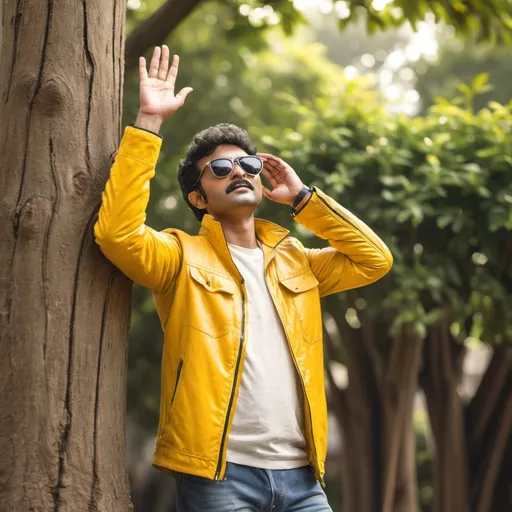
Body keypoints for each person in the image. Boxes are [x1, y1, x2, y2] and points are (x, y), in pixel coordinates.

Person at [94, 45, 393, 512]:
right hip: (218, 476)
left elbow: (374, 260)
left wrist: (304, 199)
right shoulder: (179, 256)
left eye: (249, 165)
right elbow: (116, 233)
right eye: (219, 168)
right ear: (198, 198)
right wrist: (149, 123)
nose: (239, 171)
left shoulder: (297, 261)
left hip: (303, 479)